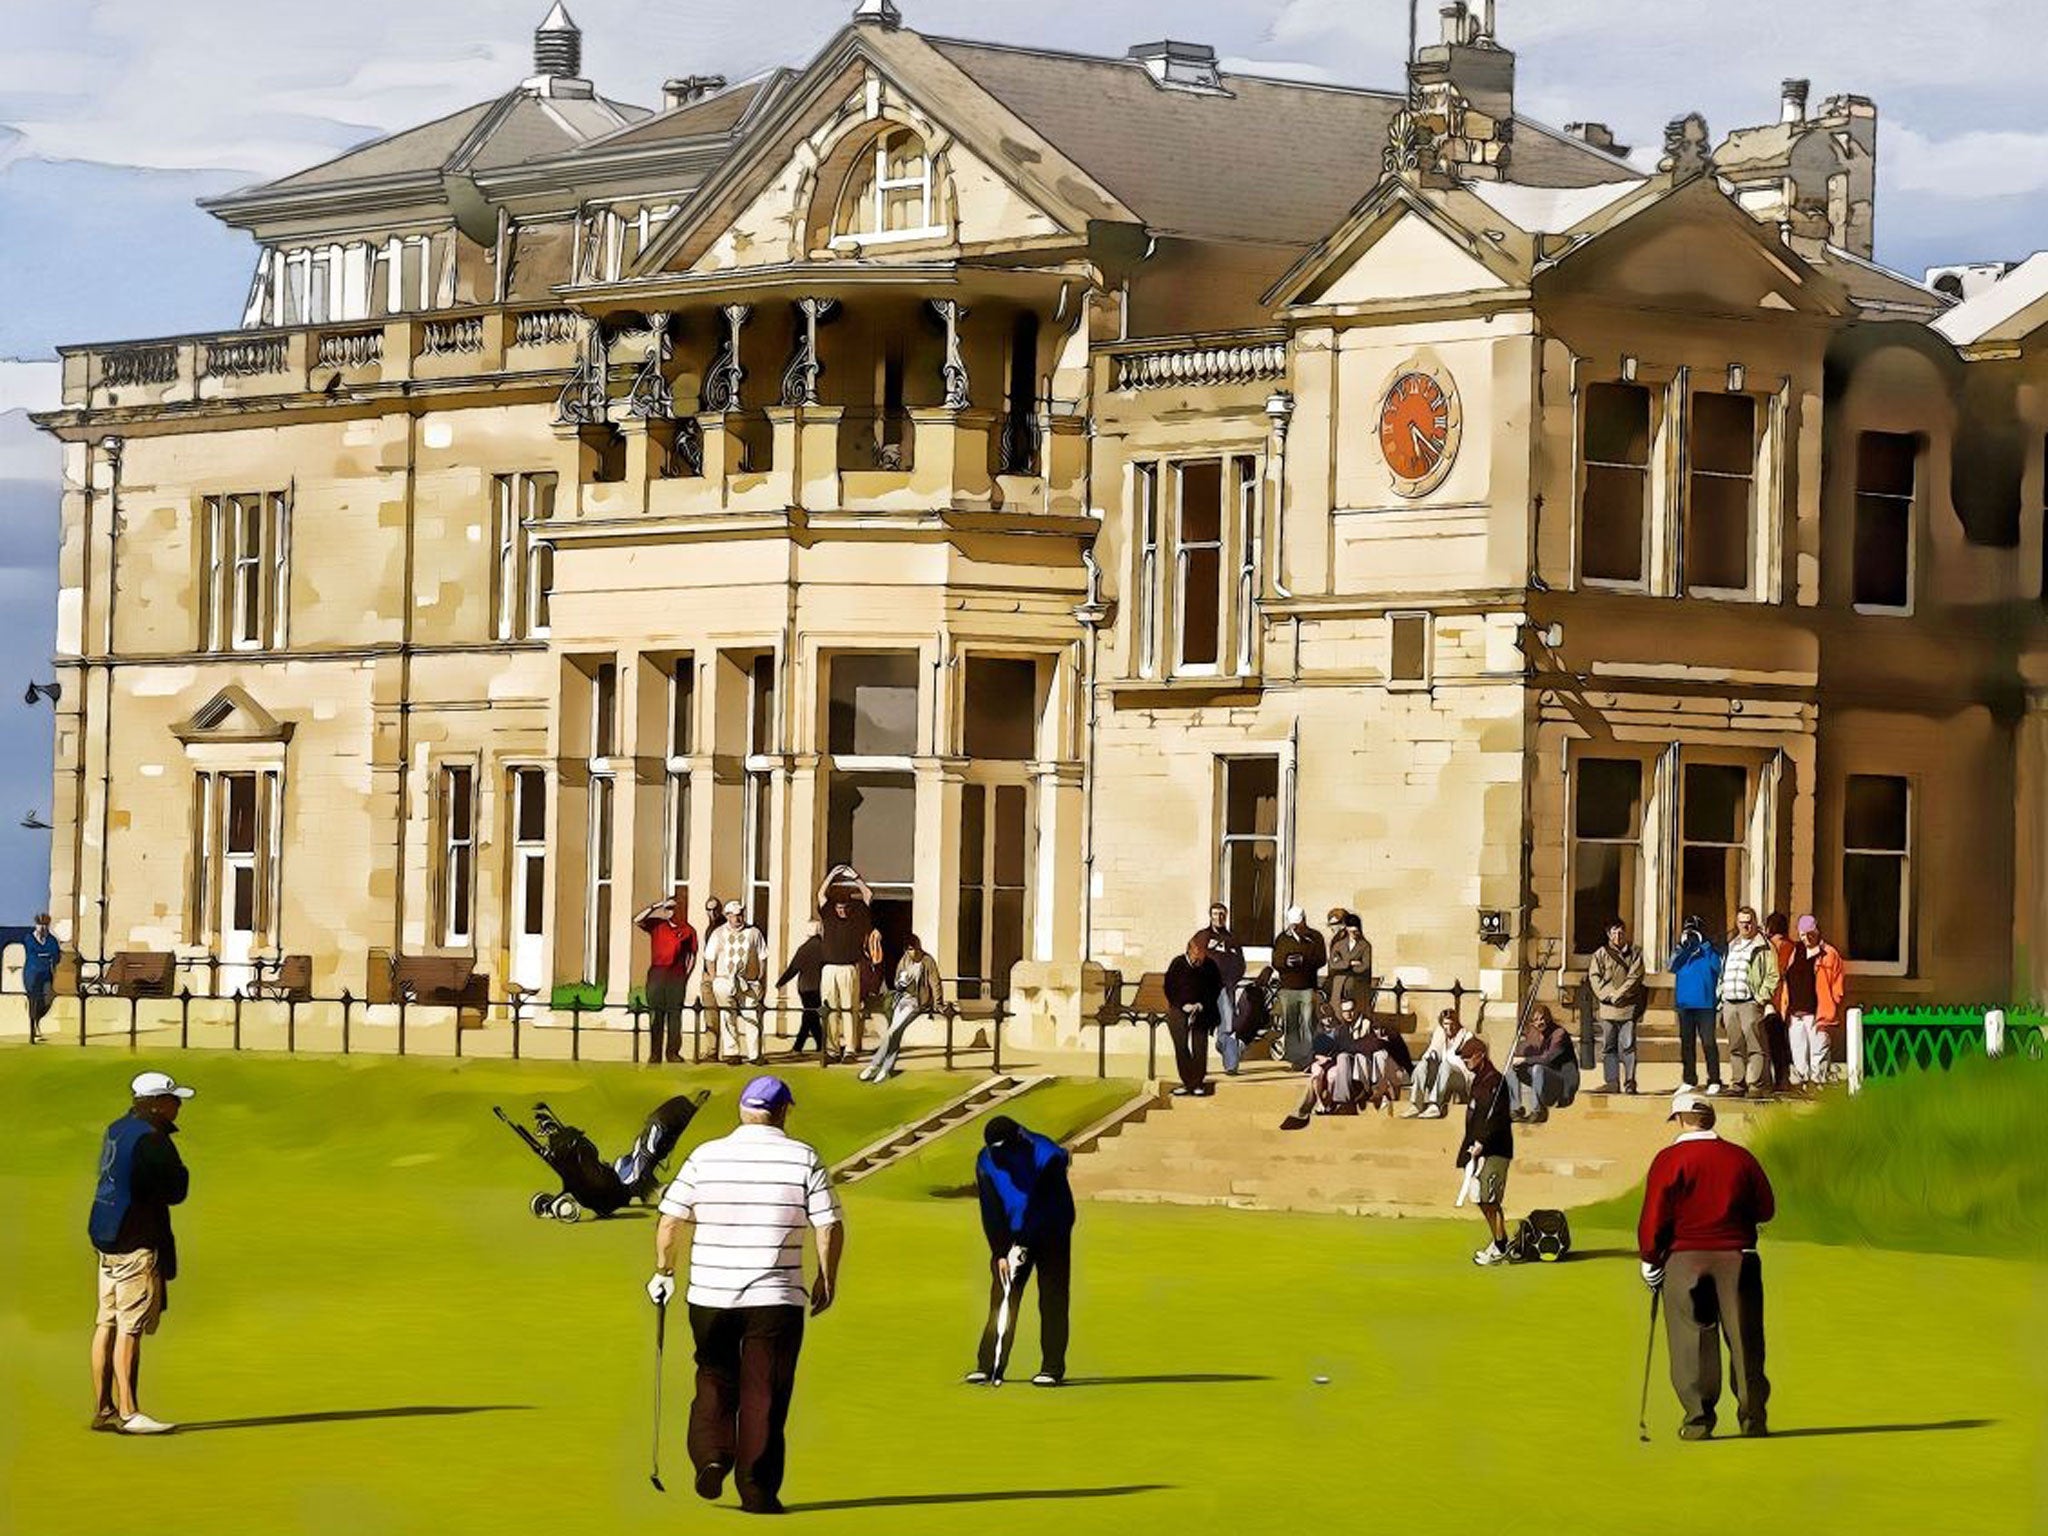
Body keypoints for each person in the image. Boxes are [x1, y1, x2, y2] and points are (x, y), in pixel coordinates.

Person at [648, 1076, 844, 1516]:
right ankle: (756, 1492)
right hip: (776, 1297)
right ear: (782, 1111)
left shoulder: (705, 1156)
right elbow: (828, 1225)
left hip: (710, 1294)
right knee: (764, 1393)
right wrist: (826, 1279)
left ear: (742, 1110)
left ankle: (712, 1456)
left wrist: (664, 1271)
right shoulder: (803, 1156)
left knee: (714, 1377)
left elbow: (669, 1220)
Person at [1638, 1089, 1775, 1440]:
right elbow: (1766, 1209)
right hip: (1739, 1257)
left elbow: (1654, 1216)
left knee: (1692, 1340)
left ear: (1682, 1120)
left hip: (1685, 1260)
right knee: (1746, 1339)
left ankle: (1698, 1421)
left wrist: (1650, 1259)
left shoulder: (1669, 1160)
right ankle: (1753, 1418)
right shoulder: (1740, 1158)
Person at [87, 1070, 195, 1435]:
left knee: (107, 1322)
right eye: (172, 1099)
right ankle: (130, 1413)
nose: (178, 1105)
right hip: (136, 1239)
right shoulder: (154, 1139)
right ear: (156, 1104)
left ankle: (104, 1408)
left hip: (108, 1235)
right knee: (129, 1328)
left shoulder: (117, 1128)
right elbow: (175, 1190)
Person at [969, 1115, 1075, 1388]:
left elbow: (1045, 1205)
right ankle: (989, 1365)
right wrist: (1000, 1252)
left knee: (1052, 1300)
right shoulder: (986, 1160)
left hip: (1053, 1233)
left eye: (1003, 1149)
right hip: (1014, 1237)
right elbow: (990, 1208)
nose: (999, 1155)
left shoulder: (1047, 1155)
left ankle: (1051, 1368)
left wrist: (1022, 1245)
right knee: (1003, 1299)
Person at [1457, 1035, 1515, 1266]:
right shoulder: (1478, 1081)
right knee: (1480, 1198)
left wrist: (1484, 1141)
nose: (1465, 1062)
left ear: (1480, 1055)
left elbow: (1498, 1119)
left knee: (1489, 1199)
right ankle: (1499, 1241)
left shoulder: (1495, 1082)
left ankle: (1501, 1246)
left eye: (1468, 1058)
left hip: (1496, 1149)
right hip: (1477, 1150)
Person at [816, 866, 882, 1062]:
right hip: (829, 968)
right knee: (829, 1010)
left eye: (844, 907)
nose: (842, 910)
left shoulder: (859, 913)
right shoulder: (828, 912)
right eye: (839, 907)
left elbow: (868, 894)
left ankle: (850, 1049)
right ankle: (833, 1049)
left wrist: (856, 878)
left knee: (849, 1009)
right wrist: (832, 875)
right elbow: (820, 894)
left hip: (849, 968)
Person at [861, 934, 943, 1082]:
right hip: (903, 1000)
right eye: (910, 950)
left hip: (917, 1002)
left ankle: (874, 1065)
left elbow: (935, 982)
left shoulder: (927, 961)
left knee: (892, 1031)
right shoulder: (904, 960)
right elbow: (897, 981)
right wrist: (901, 983)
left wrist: (938, 1003)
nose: (913, 953)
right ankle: (886, 1069)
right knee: (895, 1034)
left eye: (915, 949)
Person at [1718, 907, 1780, 1099]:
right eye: (1742, 921)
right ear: (1737, 923)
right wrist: (1721, 995)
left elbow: (1773, 975)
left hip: (1750, 1003)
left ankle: (1757, 1084)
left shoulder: (1765, 946)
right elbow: (1723, 971)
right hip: (1730, 1002)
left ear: (1755, 922)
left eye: (1749, 921)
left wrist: (1761, 997)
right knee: (1735, 1046)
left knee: (1756, 1046)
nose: (1745, 925)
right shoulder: (1732, 945)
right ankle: (1738, 1083)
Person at [635, 889, 700, 1067]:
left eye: (673, 908)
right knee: (656, 1015)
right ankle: (654, 1054)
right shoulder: (657, 925)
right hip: (657, 973)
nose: (671, 912)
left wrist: (686, 975)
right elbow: (637, 920)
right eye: (668, 908)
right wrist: (655, 906)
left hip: (676, 976)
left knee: (674, 1015)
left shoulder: (688, 930)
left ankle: (673, 1052)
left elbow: (692, 955)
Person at [1783, 916, 1846, 1090]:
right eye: (1803, 934)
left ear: (1817, 931)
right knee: (1798, 1051)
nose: (1806, 938)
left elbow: (1837, 981)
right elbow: (1787, 978)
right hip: (1795, 1012)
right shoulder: (1796, 951)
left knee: (1819, 1050)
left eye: (1810, 934)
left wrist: (1834, 999)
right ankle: (1803, 1082)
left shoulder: (1829, 953)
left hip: (1817, 1011)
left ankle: (1818, 1083)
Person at [704, 902, 770, 1065]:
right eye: (733, 915)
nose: (737, 918)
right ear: (727, 915)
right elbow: (709, 958)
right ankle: (732, 1053)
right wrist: (715, 979)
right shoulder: (718, 933)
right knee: (728, 1016)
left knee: (751, 1015)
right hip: (725, 979)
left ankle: (755, 1054)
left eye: (740, 914)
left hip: (748, 981)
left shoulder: (754, 932)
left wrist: (760, 978)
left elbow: (763, 957)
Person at [1588, 919, 1646, 1095]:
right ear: (1608, 934)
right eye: (1614, 932)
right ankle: (1612, 1082)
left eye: (1621, 932)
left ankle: (1630, 1082)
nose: (1618, 936)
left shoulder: (1635, 953)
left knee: (1628, 1047)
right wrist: (1607, 995)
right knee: (1609, 1047)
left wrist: (1618, 994)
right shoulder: (1600, 954)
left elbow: (1635, 977)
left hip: (1628, 1008)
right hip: (1607, 1009)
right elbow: (1594, 977)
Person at [1162, 931, 1222, 1097]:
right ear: (1189, 950)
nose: (1199, 960)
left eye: (1202, 956)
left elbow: (1215, 989)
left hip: (1202, 1009)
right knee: (1181, 1045)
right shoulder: (1177, 964)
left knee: (1199, 1045)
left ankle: (1197, 1083)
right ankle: (1187, 1081)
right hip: (1180, 1008)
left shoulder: (1210, 966)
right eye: (1196, 955)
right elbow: (1169, 989)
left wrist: (1201, 1004)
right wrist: (1184, 1005)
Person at [1670, 915, 1724, 1094]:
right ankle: (1689, 1079)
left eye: (1695, 931)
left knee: (1708, 1042)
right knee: (1687, 1044)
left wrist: (1706, 946)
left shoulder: (1709, 951)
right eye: (1689, 931)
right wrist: (1683, 949)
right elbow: (1671, 966)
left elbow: (1718, 968)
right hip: (1685, 1005)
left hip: (1705, 1004)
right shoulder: (1682, 951)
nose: (1692, 935)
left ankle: (1714, 1079)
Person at [1270, 907, 1326, 1069]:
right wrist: (1286, 963)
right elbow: (1276, 961)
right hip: (1288, 987)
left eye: (1298, 923)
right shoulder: (1282, 939)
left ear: (1304, 920)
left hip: (1307, 987)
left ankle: (1307, 1057)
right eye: (1292, 924)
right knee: (1291, 1025)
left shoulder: (1315, 937)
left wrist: (1304, 960)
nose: (1295, 927)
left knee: (1308, 1024)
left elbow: (1321, 959)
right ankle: (1294, 1058)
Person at [1508, 1003, 1579, 1122]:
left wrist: (1525, 1060)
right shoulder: (1534, 1034)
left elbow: (1548, 1059)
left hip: (1563, 1082)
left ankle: (1538, 1110)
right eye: (1536, 1020)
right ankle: (1515, 1109)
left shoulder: (1559, 1033)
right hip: (1544, 1078)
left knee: (1537, 1068)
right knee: (1512, 1070)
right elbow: (1524, 1054)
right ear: (1531, 1022)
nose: (1541, 1022)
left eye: (1543, 1018)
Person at [1202, 904, 1247, 1075]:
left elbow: (1240, 964)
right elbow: (1192, 959)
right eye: (1215, 914)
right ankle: (1199, 1067)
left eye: (1222, 914)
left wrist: (1232, 980)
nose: (1219, 917)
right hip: (1205, 989)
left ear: (1226, 916)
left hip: (1225, 988)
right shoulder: (1203, 937)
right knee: (1200, 1028)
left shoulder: (1232, 939)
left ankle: (1230, 1064)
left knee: (1227, 1026)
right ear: (1210, 916)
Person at [775, 920, 828, 1058]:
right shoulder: (824, 947)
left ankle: (808, 1045)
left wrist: (781, 982)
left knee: (810, 1016)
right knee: (811, 1016)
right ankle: (814, 1045)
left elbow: (793, 969)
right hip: (818, 987)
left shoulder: (803, 948)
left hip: (805, 987)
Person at [1409, 1007, 1474, 1118]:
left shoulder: (1467, 1036)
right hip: (1443, 1075)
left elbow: (1469, 1064)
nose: (1449, 1027)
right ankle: (1416, 1104)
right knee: (1423, 1064)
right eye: (1446, 1024)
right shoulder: (1440, 1034)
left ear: (1456, 1023)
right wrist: (1429, 1057)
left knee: (1445, 1065)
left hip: (1461, 1076)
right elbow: (1432, 1050)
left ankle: (1435, 1105)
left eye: (1452, 1024)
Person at [1762, 911, 1796, 1094]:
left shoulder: (1768, 947)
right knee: (1785, 1041)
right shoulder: (1792, 947)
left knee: (1772, 1042)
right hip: (1789, 999)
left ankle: (1774, 1080)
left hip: (1771, 999)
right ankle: (1784, 1078)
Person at [1324, 909, 1374, 1013]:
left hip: (1357, 986)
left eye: (1356, 931)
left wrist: (1343, 965)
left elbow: (1364, 966)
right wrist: (1350, 963)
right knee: (1338, 1013)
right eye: (1351, 932)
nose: (1354, 934)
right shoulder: (1339, 944)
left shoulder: (1365, 946)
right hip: (1339, 986)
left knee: (1355, 1013)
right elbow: (1333, 964)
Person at [24, 912, 62, 1044]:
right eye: (40, 925)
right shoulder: (29, 938)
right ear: (36, 925)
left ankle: (37, 1021)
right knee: (33, 1000)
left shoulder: (51, 940)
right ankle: (34, 1029)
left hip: (46, 974)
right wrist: (46, 956)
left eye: (45, 925)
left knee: (47, 999)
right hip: (32, 974)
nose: (43, 928)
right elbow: (33, 954)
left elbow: (56, 956)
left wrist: (47, 957)